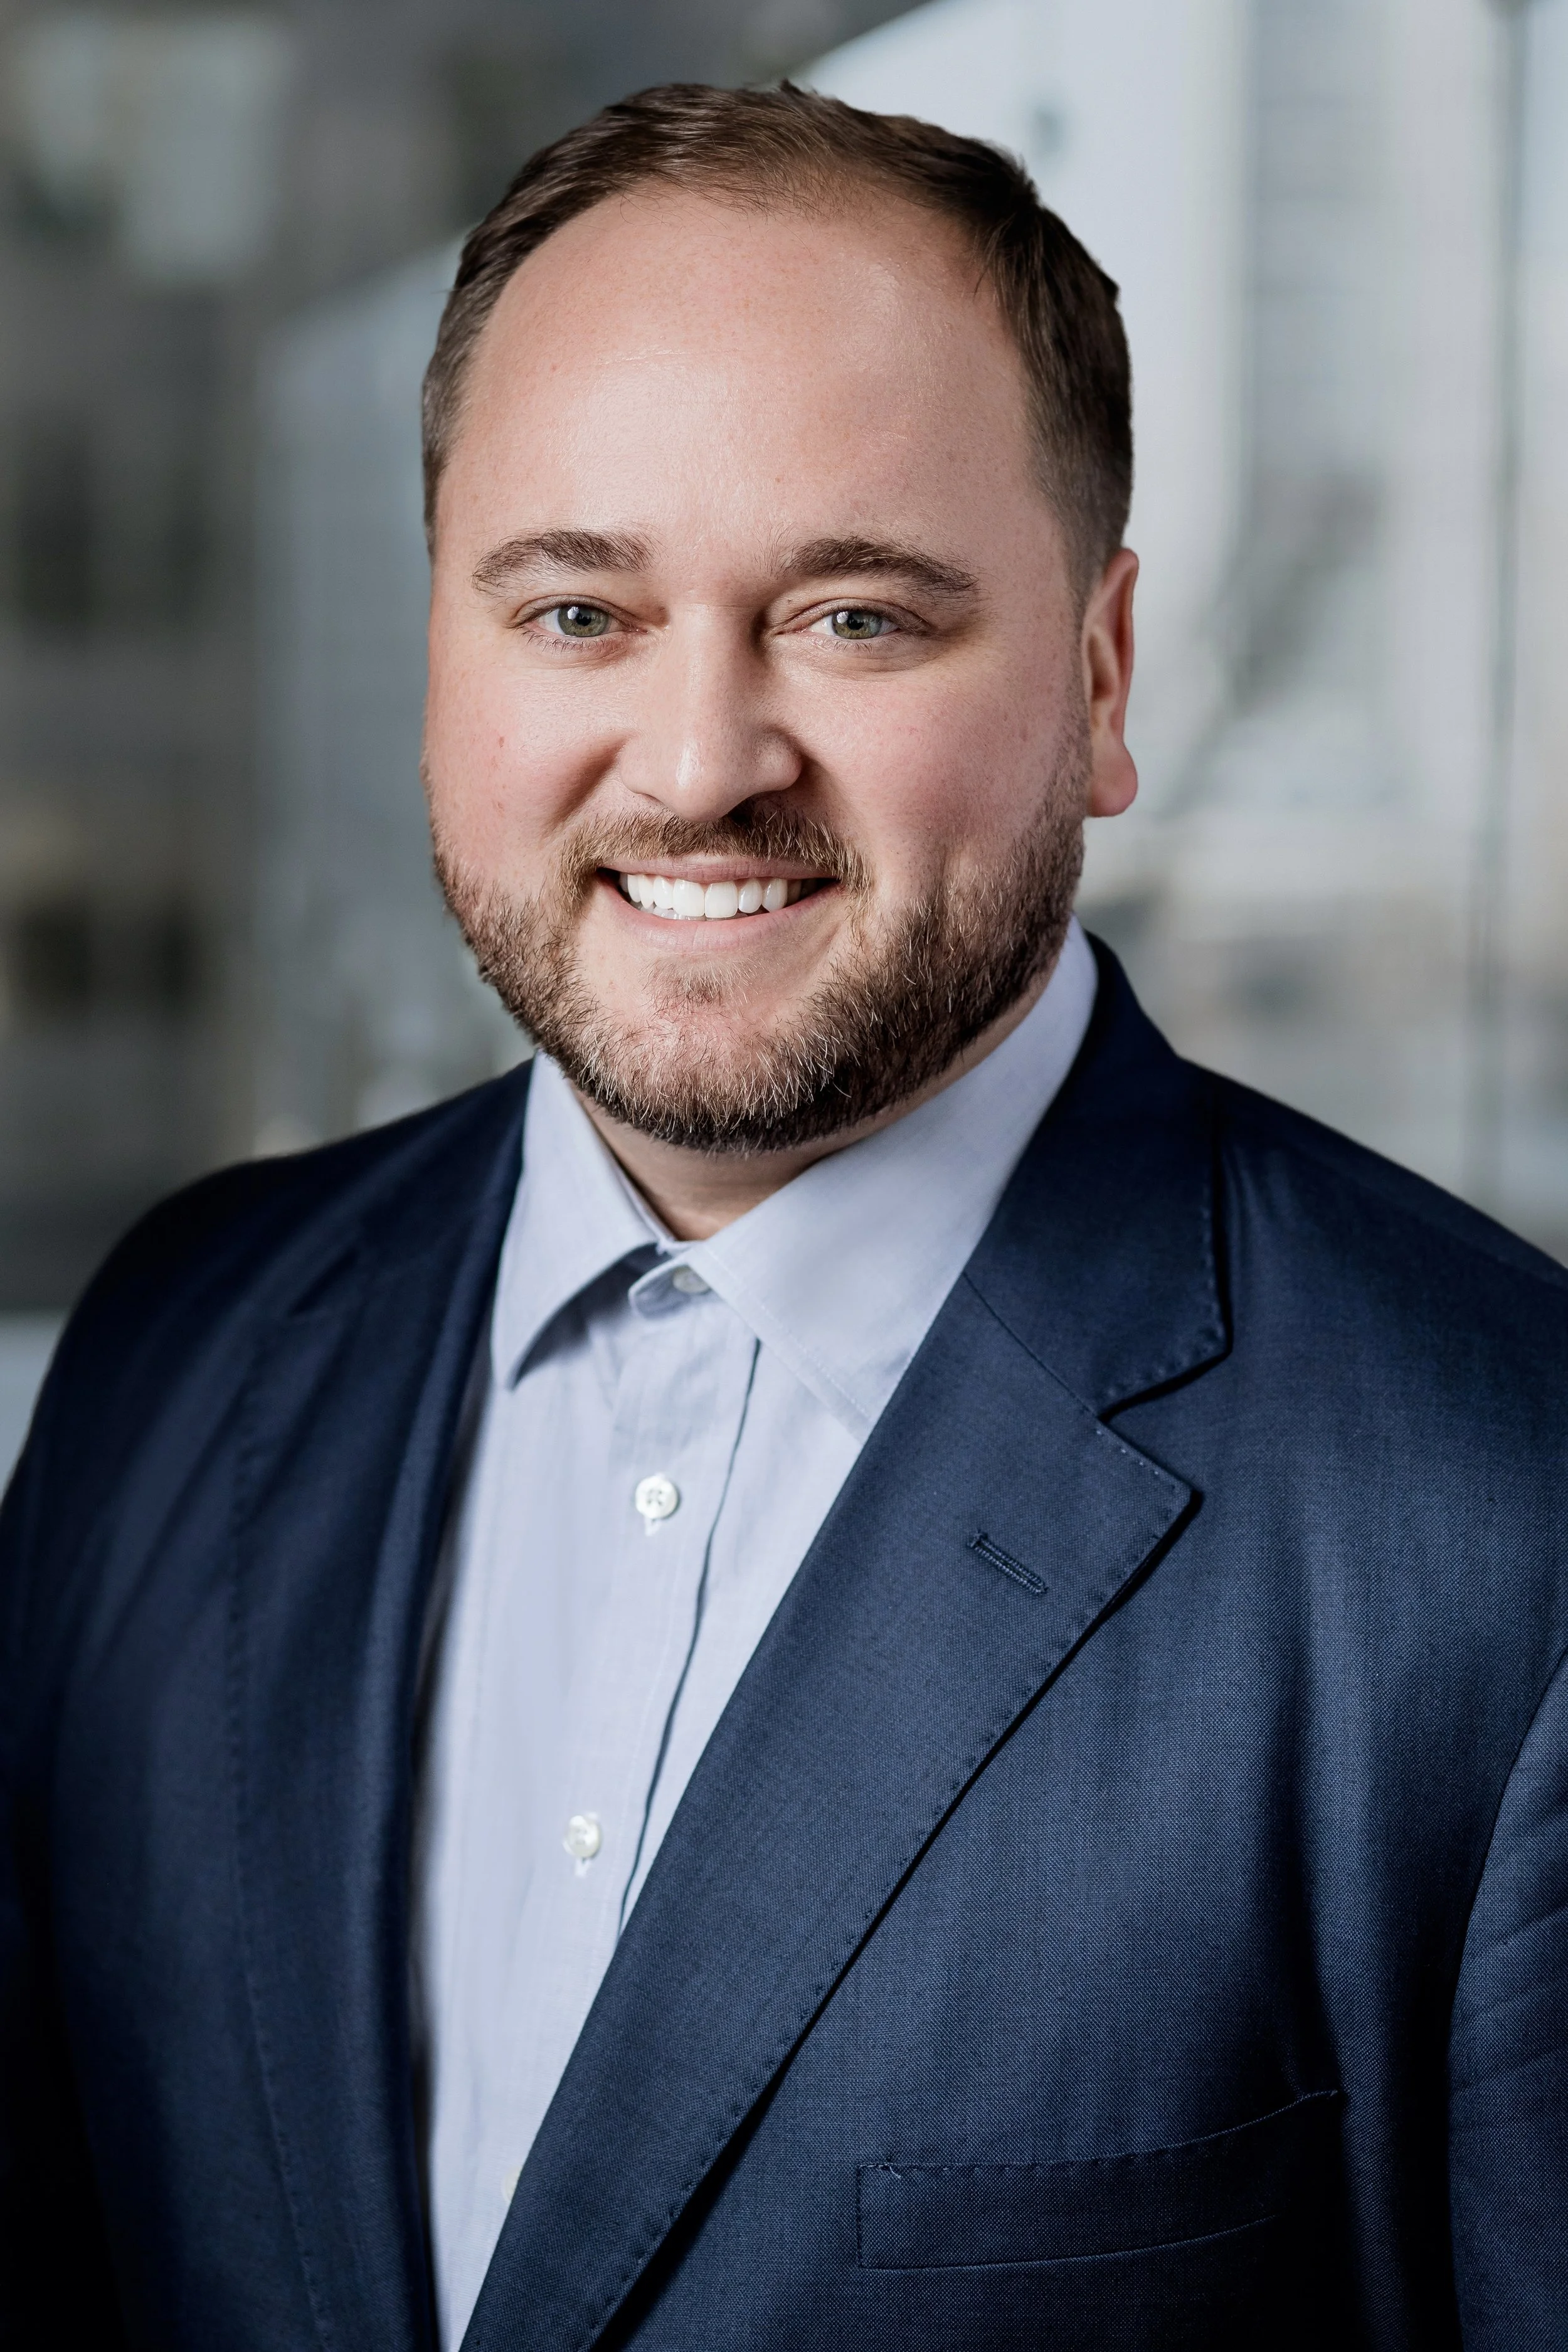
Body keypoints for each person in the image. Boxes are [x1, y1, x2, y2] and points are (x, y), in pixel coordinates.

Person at [3, 80, 1565, 2352]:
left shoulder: (1505, 1526)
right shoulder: (179, 1351)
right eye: (573, 609)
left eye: (852, 616)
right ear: (436, 637)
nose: (698, 756)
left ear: (1104, 679)